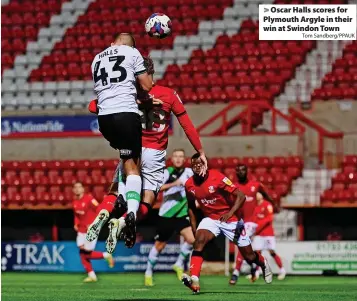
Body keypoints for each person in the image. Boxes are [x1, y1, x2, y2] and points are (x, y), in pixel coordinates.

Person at [86, 56, 208, 249]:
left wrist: (135, 102)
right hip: (155, 153)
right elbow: (186, 124)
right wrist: (199, 151)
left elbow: (92, 106)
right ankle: (124, 221)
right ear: (151, 73)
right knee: (148, 198)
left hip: (132, 149)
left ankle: (104, 214)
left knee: (117, 189)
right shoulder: (168, 94)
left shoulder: (127, 94)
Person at [90, 33, 153, 245]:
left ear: (113, 42)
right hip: (126, 113)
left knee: (125, 159)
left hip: (104, 119)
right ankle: (132, 212)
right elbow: (146, 85)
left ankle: (118, 198)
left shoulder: (97, 58)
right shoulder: (132, 52)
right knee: (134, 167)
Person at [182, 154, 273, 294]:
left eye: (200, 164)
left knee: (249, 256)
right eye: (194, 165)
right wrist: (195, 229)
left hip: (230, 219)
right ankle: (195, 279)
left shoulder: (217, 177)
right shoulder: (189, 184)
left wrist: (230, 213)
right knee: (199, 242)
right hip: (211, 218)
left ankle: (263, 263)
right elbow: (191, 207)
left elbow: (241, 196)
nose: (197, 167)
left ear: (205, 165)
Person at [144, 149, 195, 287]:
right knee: (159, 246)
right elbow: (156, 188)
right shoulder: (166, 172)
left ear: (185, 159)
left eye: (181, 156)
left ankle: (178, 264)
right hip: (166, 215)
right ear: (172, 159)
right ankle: (148, 273)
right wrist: (174, 184)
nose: (178, 159)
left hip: (181, 214)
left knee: (192, 240)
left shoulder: (189, 173)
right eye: (176, 156)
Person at [230, 164, 278, 284]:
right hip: (240, 222)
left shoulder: (255, 185)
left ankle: (236, 273)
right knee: (246, 249)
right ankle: (254, 267)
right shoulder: (233, 186)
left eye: (243, 169)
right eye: (238, 170)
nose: (240, 172)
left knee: (242, 245)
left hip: (252, 222)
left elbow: (266, 194)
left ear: (247, 171)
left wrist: (274, 204)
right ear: (236, 173)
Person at [72, 182, 114, 282]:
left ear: (83, 189)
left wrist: (93, 223)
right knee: (83, 254)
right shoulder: (74, 202)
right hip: (81, 230)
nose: (77, 189)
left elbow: (100, 210)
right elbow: (76, 215)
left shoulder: (89, 199)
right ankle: (92, 275)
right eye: (75, 187)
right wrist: (76, 223)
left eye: (79, 187)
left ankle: (106, 255)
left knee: (86, 252)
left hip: (91, 230)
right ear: (73, 190)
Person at [251, 192, 286, 280]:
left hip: (268, 233)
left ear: (262, 195)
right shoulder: (255, 206)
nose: (257, 195)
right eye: (256, 194)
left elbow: (270, 218)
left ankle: (282, 270)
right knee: (257, 253)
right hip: (259, 234)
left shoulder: (267, 205)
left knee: (272, 252)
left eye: (258, 193)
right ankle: (257, 272)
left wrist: (258, 226)